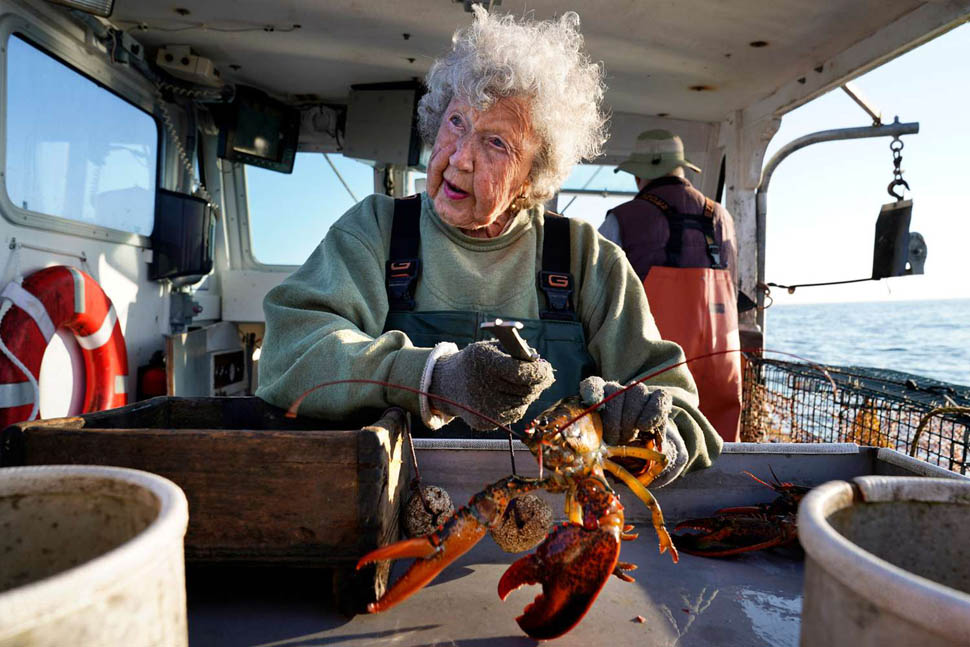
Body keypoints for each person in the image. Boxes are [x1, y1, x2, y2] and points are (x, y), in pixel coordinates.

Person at [256, 9, 721, 487]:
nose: (459, 157)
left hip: (557, 531)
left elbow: (682, 416)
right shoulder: (375, 230)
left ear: (533, 176)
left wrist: (652, 436)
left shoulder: (588, 260)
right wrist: (432, 379)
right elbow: (289, 355)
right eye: (455, 121)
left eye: (496, 142)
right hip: (395, 514)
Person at [599, 129, 742, 442]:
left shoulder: (622, 219)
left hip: (656, 366)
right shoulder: (723, 218)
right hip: (720, 360)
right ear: (681, 169)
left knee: (652, 446)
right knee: (719, 446)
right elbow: (734, 282)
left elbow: (598, 291)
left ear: (640, 175)